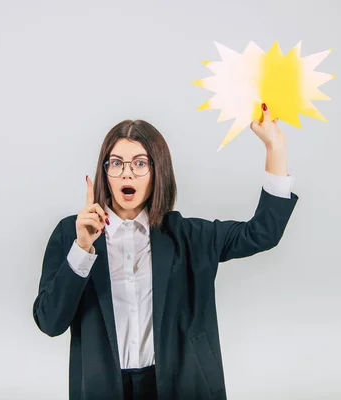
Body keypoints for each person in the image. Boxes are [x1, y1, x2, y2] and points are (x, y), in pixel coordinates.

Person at [33, 103, 298, 400]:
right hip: (103, 386)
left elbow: (262, 233)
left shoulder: (187, 236)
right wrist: (82, 248)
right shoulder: (72, 234)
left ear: (158, 171)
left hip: (177, 384)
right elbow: (50, 322)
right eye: (116, 163)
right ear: (105, 171)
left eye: (140, 163)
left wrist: (275, 146)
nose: (127, 175)